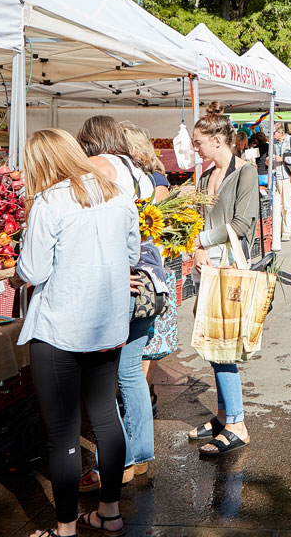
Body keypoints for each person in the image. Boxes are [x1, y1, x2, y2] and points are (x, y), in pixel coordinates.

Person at [15, 129, 139, 537]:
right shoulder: (119, 194)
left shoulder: (49, 201)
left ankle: (65, 529)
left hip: (60, 329)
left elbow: (33, 272)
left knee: (64, 433)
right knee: (106, 415)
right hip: (107, 325)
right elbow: (134, 253)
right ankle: (110, 512)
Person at [75, 116, 160, 488]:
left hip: (119, 281)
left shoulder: (97, 167)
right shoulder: (139, 170)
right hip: (150, 279)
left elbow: (89, 225)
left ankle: (118, 460)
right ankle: (139, 455)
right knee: (130, 373)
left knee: (104, 377)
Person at [189, 101, 260, 456]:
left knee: (224, 343)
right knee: (210, 341)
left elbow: (242, 225)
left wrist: (201, 241)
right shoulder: (204, 176)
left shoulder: (244, 172)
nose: (194, 147)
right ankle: (221, 415)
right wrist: (196, 248)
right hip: (207, 267)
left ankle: (237, 423)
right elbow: (198, 219)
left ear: (218, 139)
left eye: (198, 141)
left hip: (230, 268)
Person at [122, 123, 175, 419]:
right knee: (139, 343)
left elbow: (162, 221)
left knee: (145, 343)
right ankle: (139, 398)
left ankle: (144, 396)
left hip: (149, 269)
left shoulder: (154, 179)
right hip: (142, 267)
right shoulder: (128, 176)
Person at [273, 124, 291, 242]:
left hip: (287, 176)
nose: (272, 134)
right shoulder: (274, 143)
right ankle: (277, 230)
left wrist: (283, 159)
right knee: (276, 206)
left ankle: (286, 231)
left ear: (280, 132)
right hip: (276, 176)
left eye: (274, 132)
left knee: (286, 205)